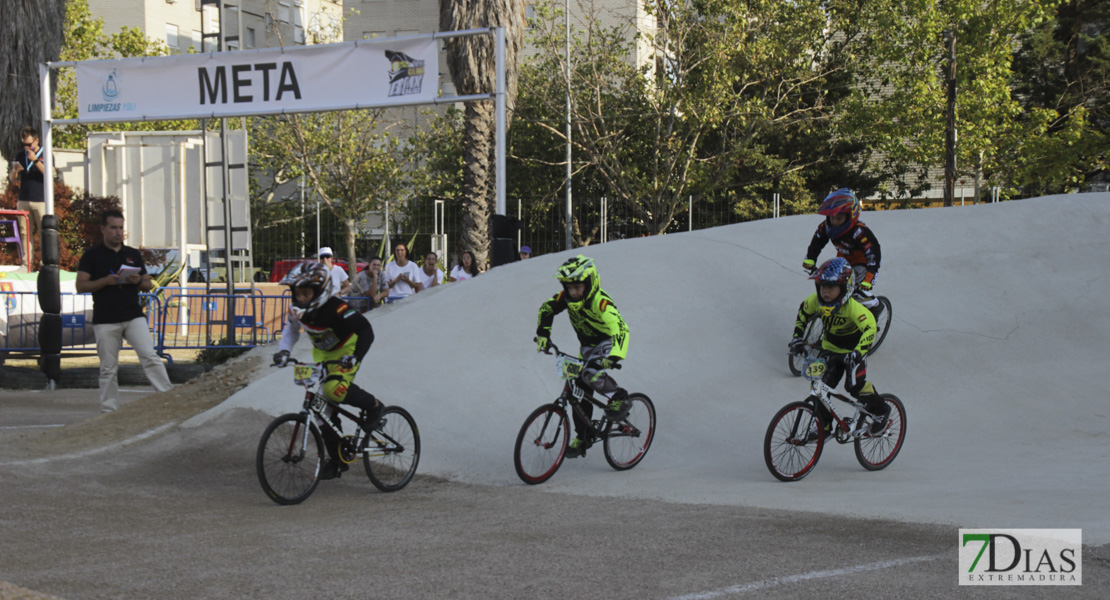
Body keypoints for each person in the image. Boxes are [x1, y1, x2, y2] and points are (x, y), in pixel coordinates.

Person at [273, 261, 385, 480]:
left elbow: (365, 330)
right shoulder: (297, 310)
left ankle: (375, 407)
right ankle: (337, 460)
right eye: (297, 293)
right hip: (322, 356)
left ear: (320, 291)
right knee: (321, 409)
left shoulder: (336, 308)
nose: (300, 298)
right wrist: (283, 352)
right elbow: (291, 331)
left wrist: (355, 358)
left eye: (306, 293)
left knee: (333, 391)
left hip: (347, 350)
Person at [75, 209, 173, 413]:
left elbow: (147, 284)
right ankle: (109, 410)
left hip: (133, 315)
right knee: (108, 367)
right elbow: (81, 286)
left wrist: (138, 281)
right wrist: (104, 281)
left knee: (149, 355)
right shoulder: (92, 255)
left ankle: (167, 398)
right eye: (113, 228)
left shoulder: (132, 254)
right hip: (105, 318)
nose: (118, 232)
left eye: (121, 228)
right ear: (103, 229)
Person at [535, 255, 630, 458]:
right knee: (577, 391)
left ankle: (618, 397)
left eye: (578, 287)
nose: (574, 292)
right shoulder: (566, 298)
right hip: (587, 347)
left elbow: (621, 329)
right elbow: (547, 308)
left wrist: (615, 356)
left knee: (590, 372)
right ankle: (583, 437)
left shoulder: (600, 303)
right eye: (570, 288)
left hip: (607, 343)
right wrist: (543, 333)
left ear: (590, 283)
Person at [789, 257, 889, 438]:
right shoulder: (815, 301)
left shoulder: (852, 308)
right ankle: (824, 427)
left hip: (852, 352)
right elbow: (803, 312)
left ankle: (881, 411)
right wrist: (797, 338)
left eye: (831, 287)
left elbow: (870, 328)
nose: (825, 291)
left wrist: (858, 352)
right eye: (822, 286)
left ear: (844, 288)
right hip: (829, 348)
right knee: (820, 387)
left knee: (854, 387)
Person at [802, 188, 883, 314]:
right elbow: (816, 243)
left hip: (862, 263)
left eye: (839, 218)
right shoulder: (825, 226)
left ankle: (875, 306)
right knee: (833, 287)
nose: (834, 222)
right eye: (832, 218)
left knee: (856, 292)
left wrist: (869, 278)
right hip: (842, 261)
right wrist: (810, 259)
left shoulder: (860, 232)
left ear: (851, 216)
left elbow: (874, 254)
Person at [8, 126, 48, 257]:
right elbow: (12, 179)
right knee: (24, 233)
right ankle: (26, 263)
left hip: (41, 200)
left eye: (29, 144)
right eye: (24, 144)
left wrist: (35, 160)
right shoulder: (21, 154)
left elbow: (49, 174)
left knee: (44, 232)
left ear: (37, 141)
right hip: (23, 199)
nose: (27, 147)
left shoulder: (45, 153)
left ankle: (45, 264)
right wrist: (15, 171)